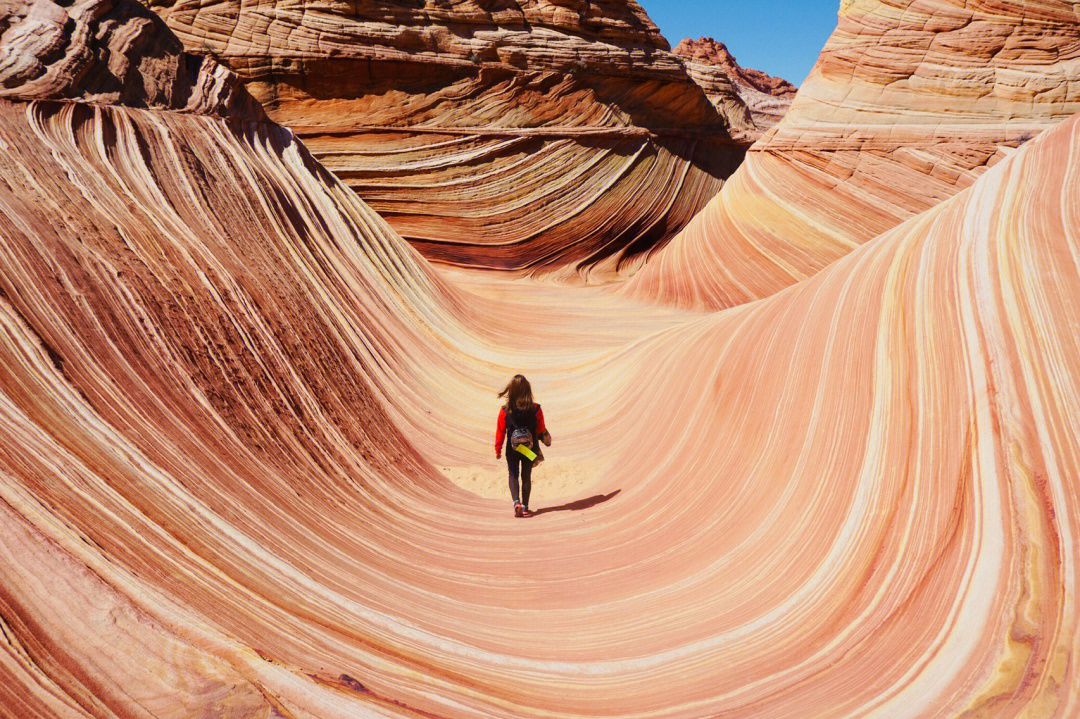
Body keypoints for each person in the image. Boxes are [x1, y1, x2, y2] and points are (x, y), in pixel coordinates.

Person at [494, 374, 551, 517]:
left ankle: (516, 502)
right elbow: (540, 428)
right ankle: (525, 506)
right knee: (526, 475)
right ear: (527, 390)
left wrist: (498, 449)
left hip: (512, 448)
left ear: (511, 391)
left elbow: (500, 431)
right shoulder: (536, 409)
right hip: (529, 448)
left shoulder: (505, 410)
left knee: (513, 474)